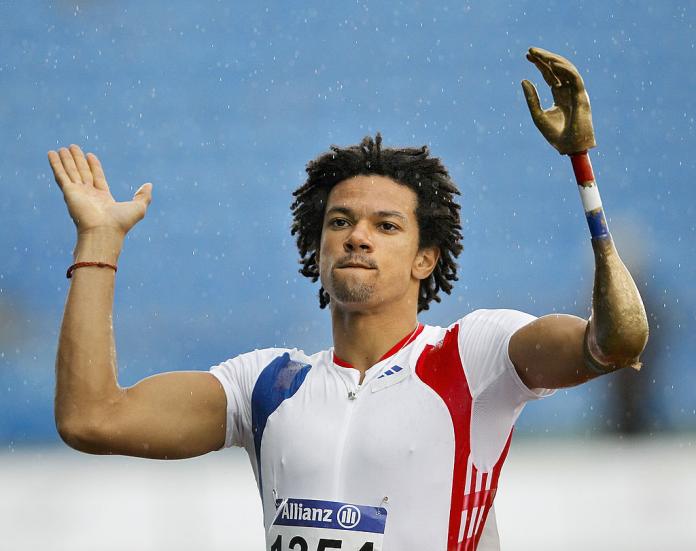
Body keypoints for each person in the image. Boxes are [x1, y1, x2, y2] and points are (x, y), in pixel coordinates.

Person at [48, 48, 648, 551]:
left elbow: (617, 341)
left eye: (386, 226)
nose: (357, 235)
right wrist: (99, 239)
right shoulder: (265, 386)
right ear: (317, 245)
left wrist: (582, 169)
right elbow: (91, 418)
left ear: (426, 259)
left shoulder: (475, 358)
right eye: (340, 221)